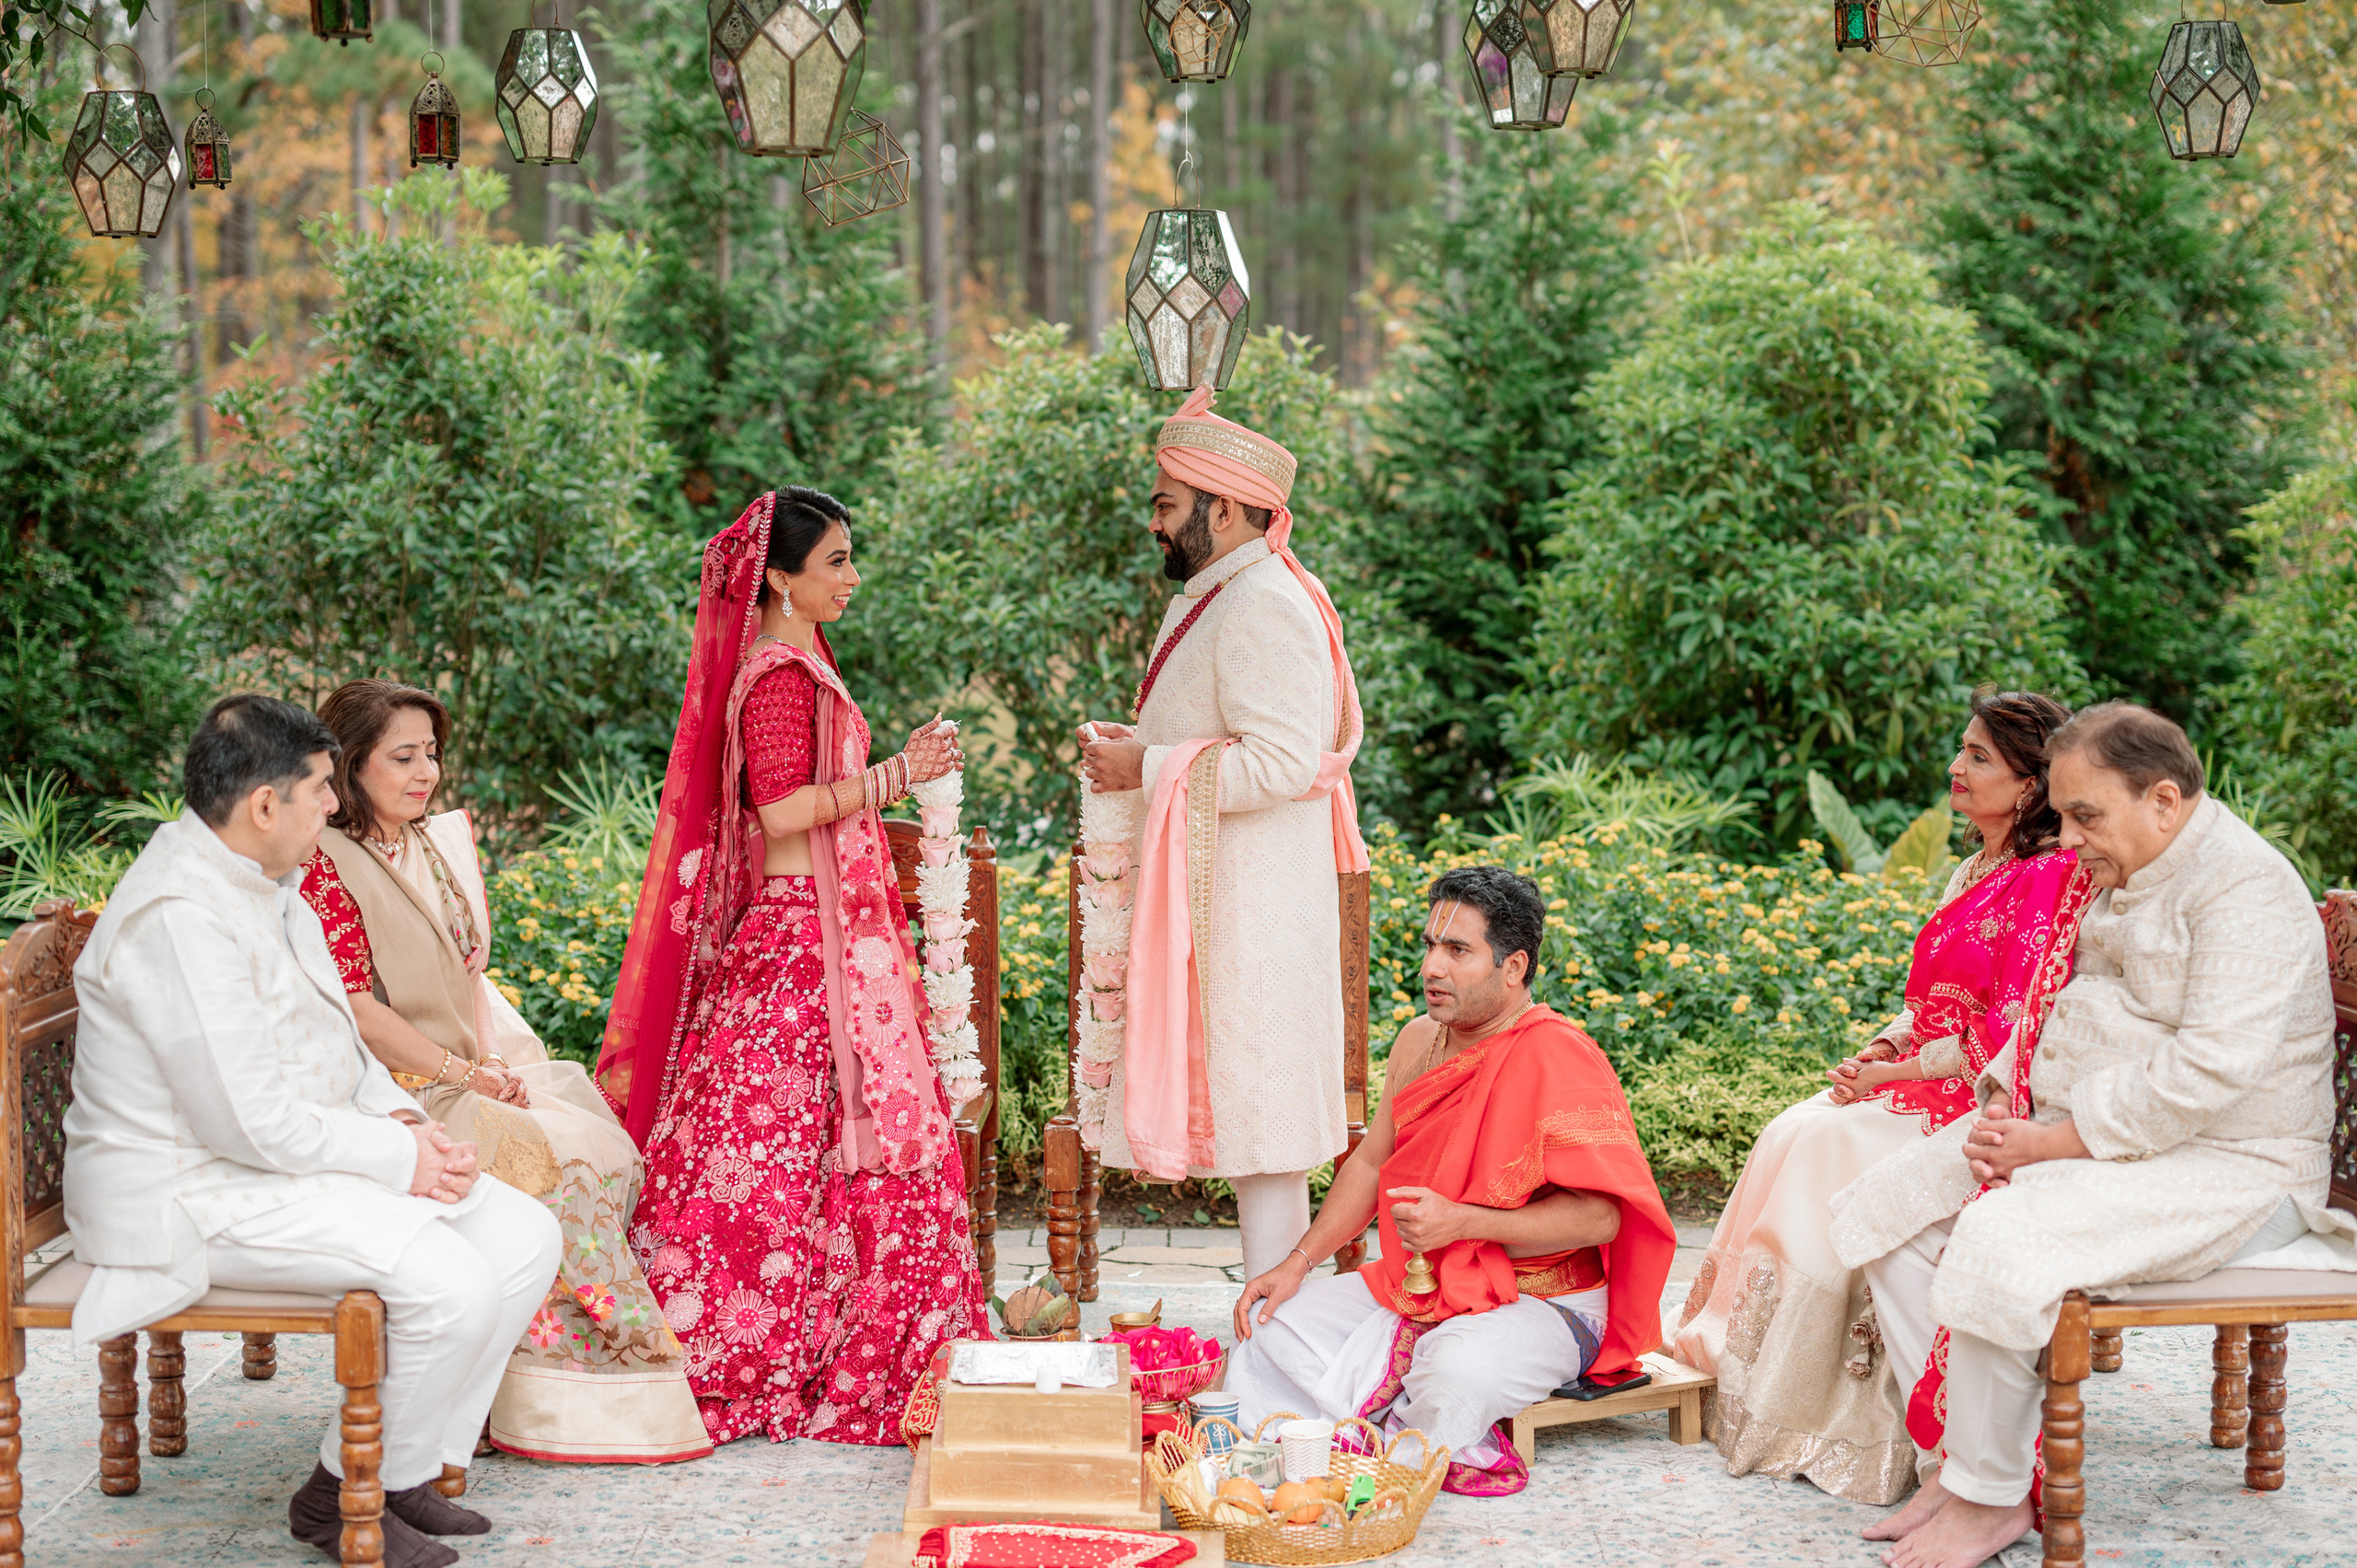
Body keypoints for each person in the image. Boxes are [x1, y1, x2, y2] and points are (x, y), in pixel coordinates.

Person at [1829, 703, 2350, 1568]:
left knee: (2004, 1231)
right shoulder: (2126, 861)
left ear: (2165, 800)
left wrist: (2050, 1144)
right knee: (1895, 1207)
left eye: (2086, 815)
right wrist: (2006, 1100)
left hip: (2236, 1165)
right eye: (2063, 815)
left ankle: (1991, 1500)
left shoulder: (2243, 889)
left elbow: (2208, 1073)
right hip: (2090, 1132)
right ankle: (1959, 1463)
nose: (2066, 839)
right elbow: (2050, 1002)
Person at [64, 695, 562, 1568]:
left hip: (270, 1165)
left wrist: (407, 1121)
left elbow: (337, 1037)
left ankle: (400, 1471)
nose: (335, 806)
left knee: (525, 1233)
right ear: (266, 805)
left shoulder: (264, 883)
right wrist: (398, 1159)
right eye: (323, 789)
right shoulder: (178, 916)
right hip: (189, 1194)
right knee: (451, 1283)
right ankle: (339, 1496)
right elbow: (245, 1121)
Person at [598, 486, 991, 1446]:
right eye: (836, 562)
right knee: (770, 1158)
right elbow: (779, 813)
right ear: (779, 575)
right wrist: (901, 772)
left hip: (827, 938)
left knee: (811, 1155)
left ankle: (824, 1337)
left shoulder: (802, 656)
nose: (851, 578)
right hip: (792, 945)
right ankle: (769, 1348)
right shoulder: (777, 672)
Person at [1672, 690, 2090, 1504]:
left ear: (2031, 785)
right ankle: (1741, 1369)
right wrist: (1886, 1045)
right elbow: (1930, 999)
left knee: (1829, 1144)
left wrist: (1893, 1077)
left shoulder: (2048, 877)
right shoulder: (1978, 866)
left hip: (1982, 1098)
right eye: (1962, 750)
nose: (1955, 767)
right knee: (1789, 1130)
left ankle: (1841, 1420)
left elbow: (2010, 1032)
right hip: (1923, 1073)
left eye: (1977, 757)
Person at [298, 679, 711, 1465]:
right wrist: (463, 1071)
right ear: (351, 766)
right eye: (404, 756)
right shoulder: (326, 863)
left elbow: (460, 981)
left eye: (433, 755)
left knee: (605, 1141)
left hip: (452, 1073)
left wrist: (488, 1065)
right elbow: (350, 1005)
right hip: (387, 1094)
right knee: (565, 1170)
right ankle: (562, 1403)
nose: (427, 774)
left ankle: (494, 1387)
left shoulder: (416, 841)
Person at [1224, 866, 1678, 1494]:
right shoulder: (1418, 1042)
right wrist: (1298, 1261)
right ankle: (1329, 1447)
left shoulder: (1557, 1053)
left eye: (1457, 950)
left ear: (1513, 966)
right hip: (1429, 1282)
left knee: (1451, 1371)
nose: (1431, 967)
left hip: (1545, 1299)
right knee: (1269, 1323)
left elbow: (1600, 1217)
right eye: (1429, 946)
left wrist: (1465, 1222)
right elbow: (1370, 1163)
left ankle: (1352, 1448)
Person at [1076, 383, 1370, 1282]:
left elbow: (1284, 763)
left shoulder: (1262, 601)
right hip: (1228, 902)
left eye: (1167, 506)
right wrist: (1147, 750)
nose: (1153, 524)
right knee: (1254, 1124)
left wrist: (1150, 768)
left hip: (1255, 912)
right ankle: (1271, 1348)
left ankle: (1278, 1358)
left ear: (1232, 509)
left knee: (1267, 1132)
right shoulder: (1225, 588)